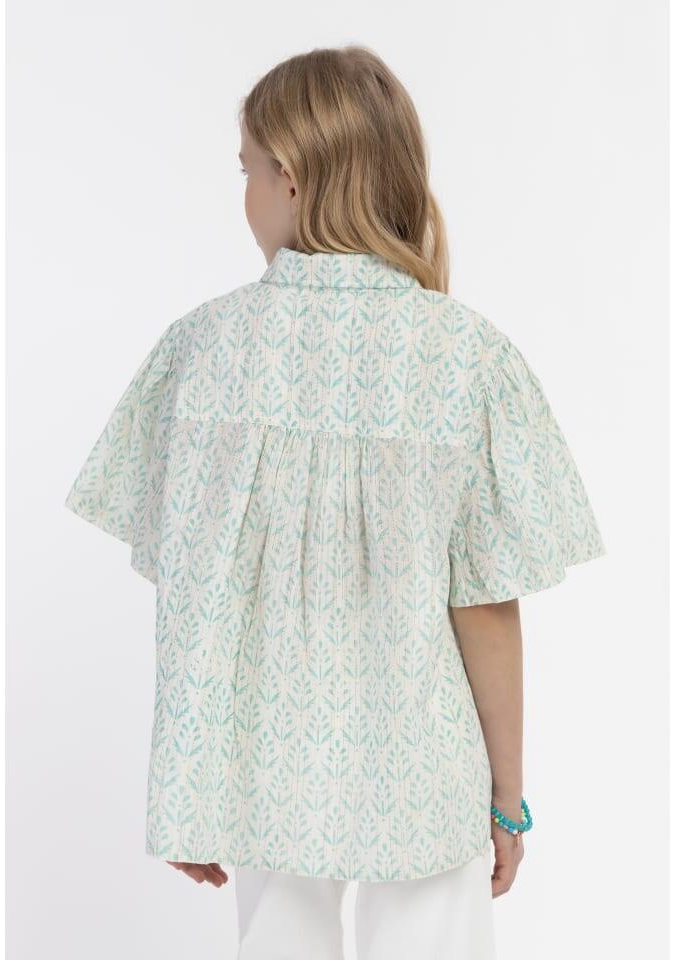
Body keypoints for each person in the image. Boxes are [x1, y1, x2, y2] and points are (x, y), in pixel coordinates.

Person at [64, 44, 606, 960]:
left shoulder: (202, 351)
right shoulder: (467, 357)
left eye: (245, 170)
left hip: (263, 766)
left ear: (292, 176)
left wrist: (190, 789)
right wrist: (507, 795)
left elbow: (195, 599)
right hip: (424, 768)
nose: (243, 195)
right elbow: (484, 602)